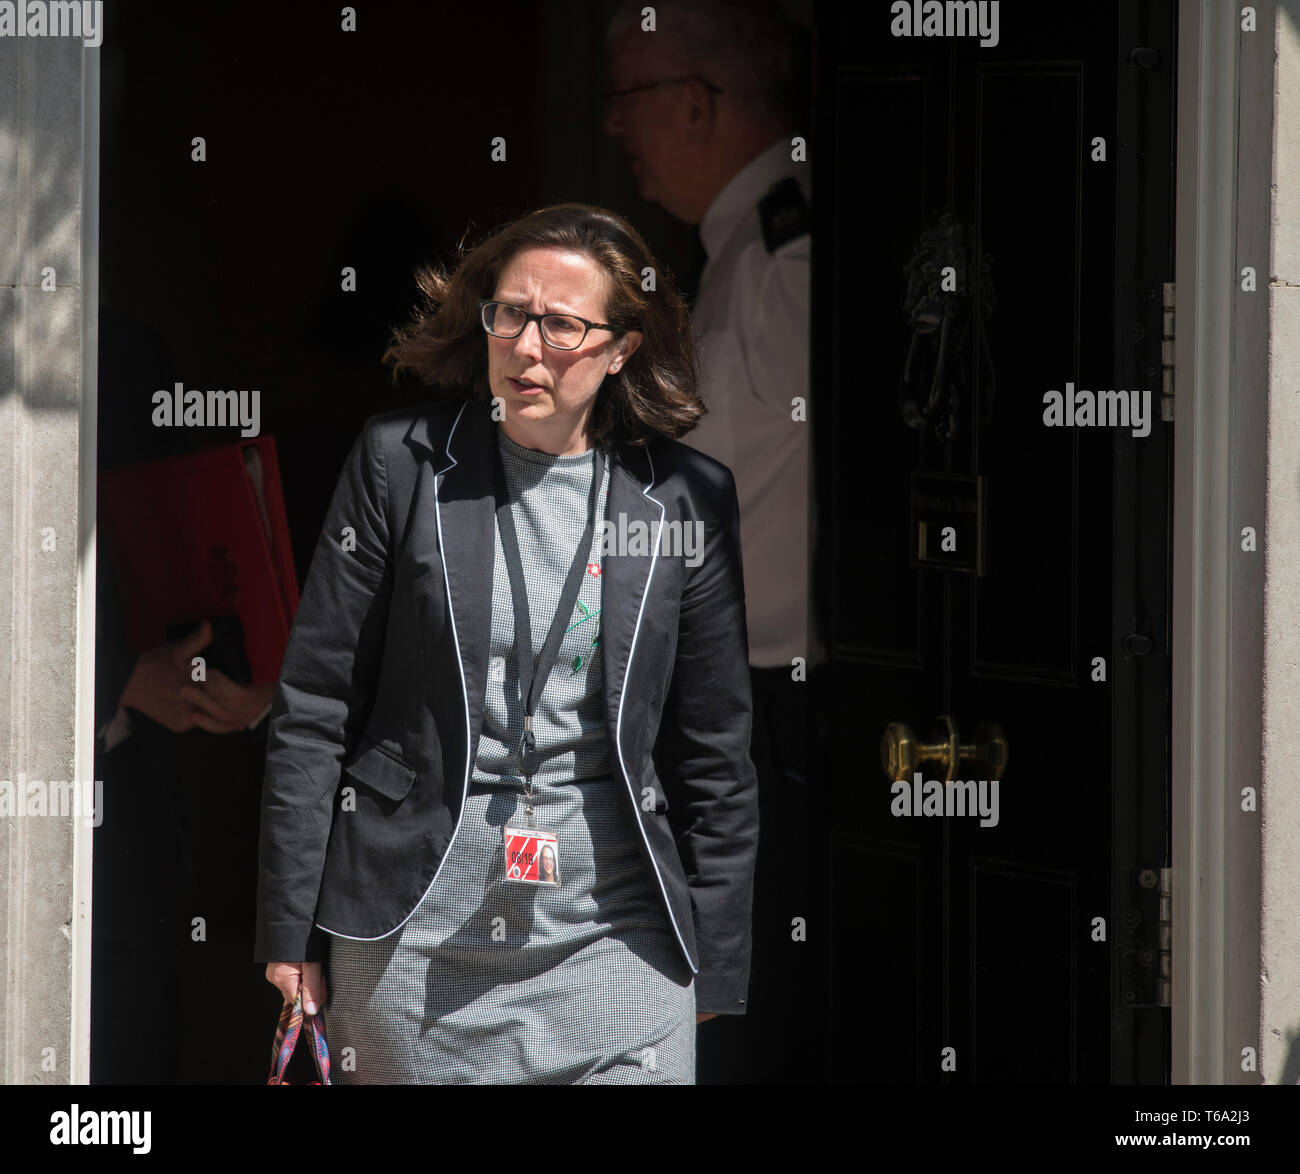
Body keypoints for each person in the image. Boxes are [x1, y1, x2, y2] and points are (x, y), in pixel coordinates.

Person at [254, 201, 760, 1085]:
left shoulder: (686, 501)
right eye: (510, 315)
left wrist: (715, 954)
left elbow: (715, 750)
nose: (527, 348)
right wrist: (291, 926)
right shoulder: (397, 465)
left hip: (618, 934)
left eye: (562, 325)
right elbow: (314, 706)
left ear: (621, 347)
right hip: (417, 935)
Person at [603, 0, 821, 1081]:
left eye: (626, 99)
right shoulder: (752, 242)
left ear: (695, 103)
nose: (613, 127)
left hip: (773, 712)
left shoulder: (784, 255)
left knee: (742, 1025)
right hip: (745, 708)